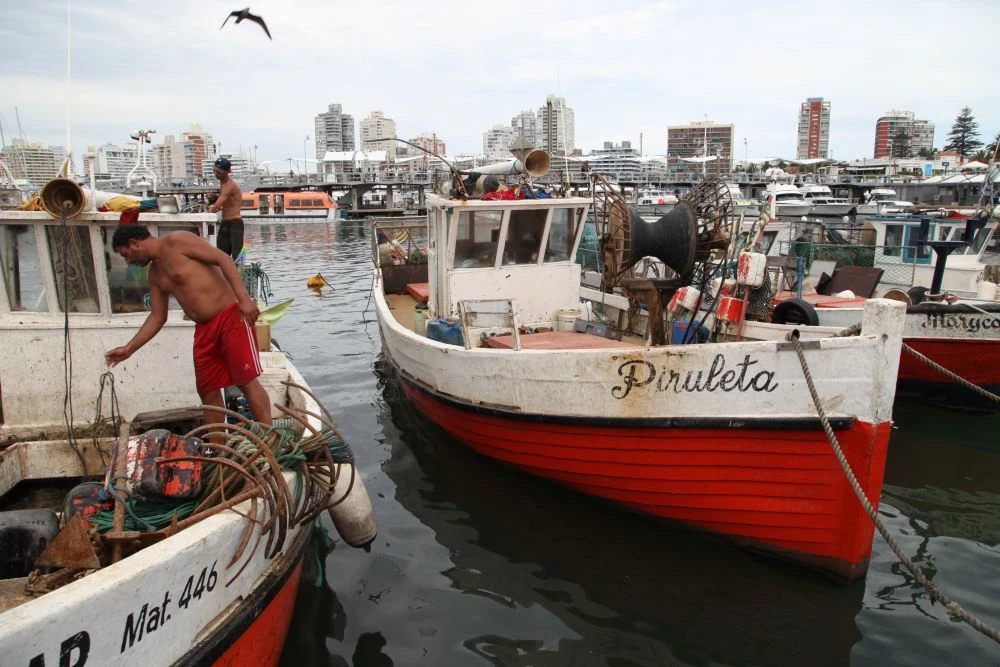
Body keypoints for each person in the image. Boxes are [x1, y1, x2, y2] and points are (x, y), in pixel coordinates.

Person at [104, 224, 272, 429]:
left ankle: (270, 440)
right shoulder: (155, 275)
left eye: (126, 254)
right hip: (203, 329)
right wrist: (129, 349)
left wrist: (244, 298)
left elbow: (223, 259)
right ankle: (218, 450)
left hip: (230, 316)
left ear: (134, 243)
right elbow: (157, 317)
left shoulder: (178, 241)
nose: (128, 261)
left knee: (246, 382)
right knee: (207, 389)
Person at [209, 156, 244, 261]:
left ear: (227, 172)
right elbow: (225, 199)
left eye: (219, 172)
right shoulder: (222, 182)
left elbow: (217, 206)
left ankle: (239, 275)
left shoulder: (229, 185)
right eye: (214, 171)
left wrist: (209, 210)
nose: (216, 174)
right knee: (221, 255)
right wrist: (213, 197)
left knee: (237, 256)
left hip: (235, 223)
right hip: (225, 222)